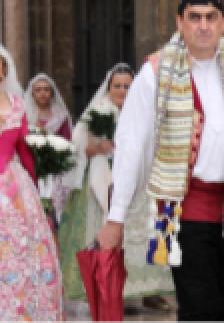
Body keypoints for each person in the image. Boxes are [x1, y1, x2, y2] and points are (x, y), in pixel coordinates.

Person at [97, 0, 224, 321]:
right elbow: (130, 145)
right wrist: (115, 218)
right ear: (180, 22)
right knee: (201, 308)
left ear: (223, 22)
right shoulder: (155, 72)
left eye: (211, 17)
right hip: (183, 211)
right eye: (195, 17)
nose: (203, 25)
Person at [58, 64, 175, 311]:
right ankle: (110, 289)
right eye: (117, 86)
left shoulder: (144, 112)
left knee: (144, 233)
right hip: (103, 180)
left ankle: (147, 291)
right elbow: (78, 148)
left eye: (127, 86)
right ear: (108, 88)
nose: (122, 91)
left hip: (141, 181)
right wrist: (98, 148)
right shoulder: (98, 112)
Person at [0, 44, 62, 320]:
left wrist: (37, 191)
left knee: (23, 244)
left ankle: (23, 306)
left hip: (15, 185)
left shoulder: (16, 105)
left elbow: (25, 150)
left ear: (4, 72)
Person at [23, 72, 72, 222]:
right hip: (31, 167)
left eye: (46, 89)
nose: (42, 93)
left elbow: (67, 142)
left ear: (52, 92)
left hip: (56, 170)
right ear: (32, 93)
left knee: (54, 212)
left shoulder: (61, 116)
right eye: (38, 90)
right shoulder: (25, 115)